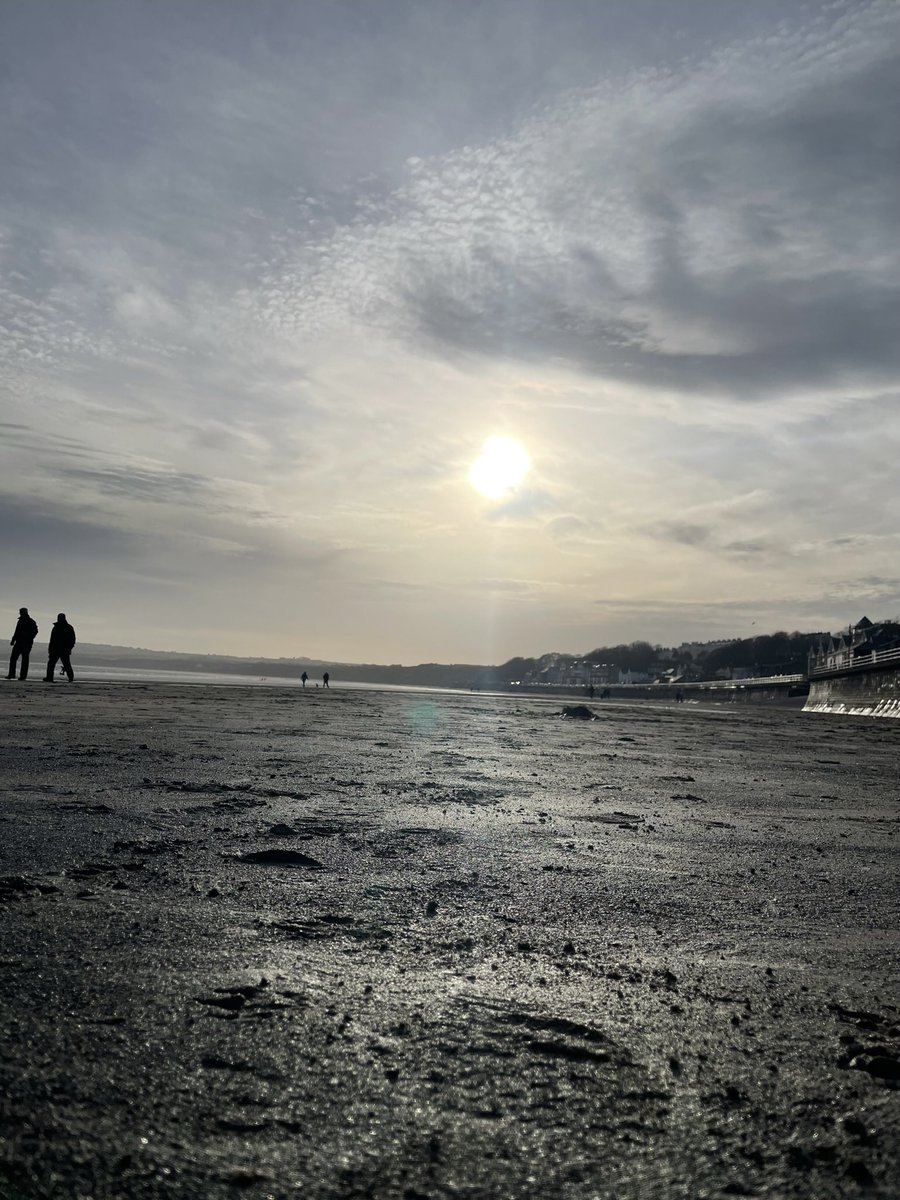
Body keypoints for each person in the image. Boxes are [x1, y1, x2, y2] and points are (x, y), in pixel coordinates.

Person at [7, 607, 39, 681]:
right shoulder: (22, 621)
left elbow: (35, 631)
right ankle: (14, 675)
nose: (20, 614)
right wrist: (13, 640)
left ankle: (20, 676)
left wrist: (27, 636)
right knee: (16, 659)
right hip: (20, 642)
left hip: (26, 643)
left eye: (21, 612)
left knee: (23, 660)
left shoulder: (30, 621)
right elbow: (16, 631)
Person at [44, 613, 76, 682]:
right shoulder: (61, 627)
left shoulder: (66, 627)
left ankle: (70, 677)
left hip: (62, 649)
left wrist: (69, 647)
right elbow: (52, 639)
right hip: (58, 649)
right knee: (53, 664)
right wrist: (50, 648)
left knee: (64, 664)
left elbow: (72, 639)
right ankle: (49, 677)